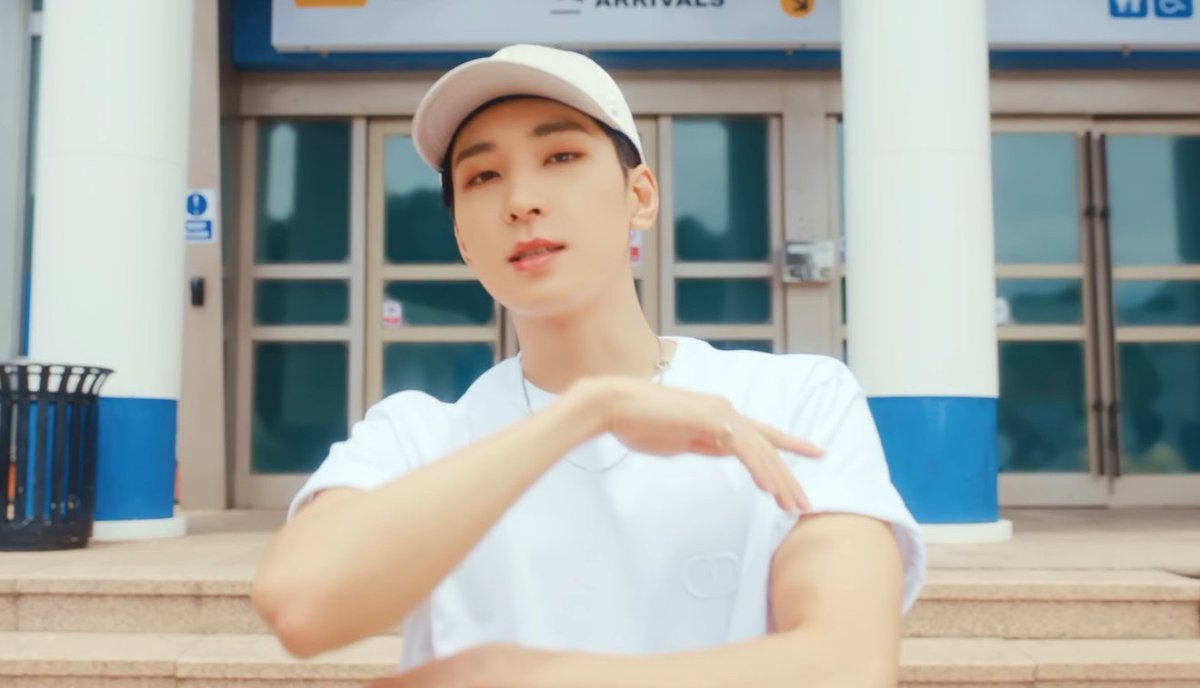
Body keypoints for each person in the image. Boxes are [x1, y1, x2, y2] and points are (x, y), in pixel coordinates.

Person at [251, 44, 926, 688]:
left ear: (641, 196)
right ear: (462, 238)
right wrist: (588, 411)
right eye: (483, 176)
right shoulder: (416, 436)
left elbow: (846, 666)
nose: (521, 200)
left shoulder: (794, 399)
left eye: (561, 155)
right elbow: (302, 607)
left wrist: (518, 678)